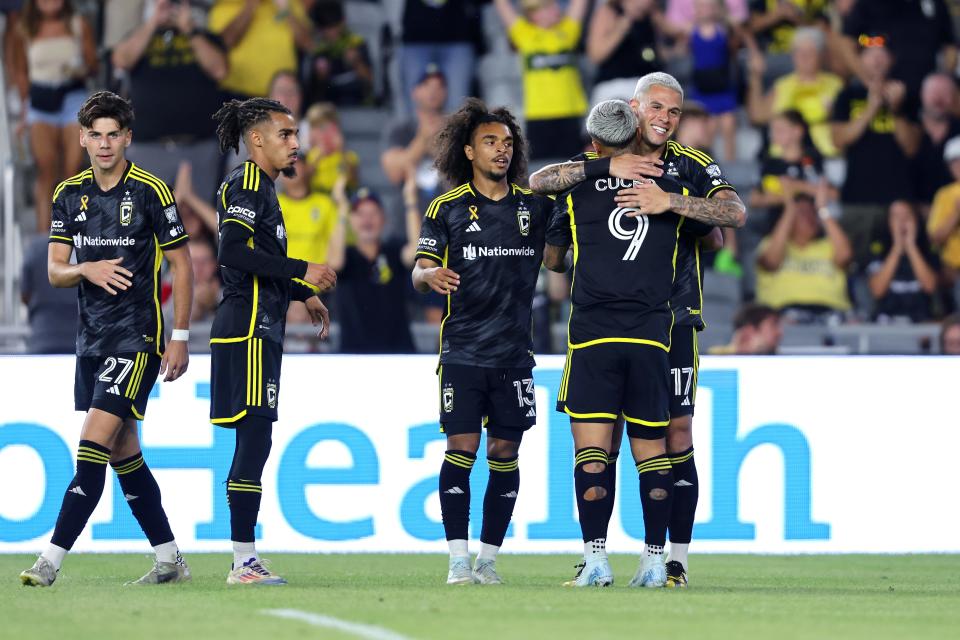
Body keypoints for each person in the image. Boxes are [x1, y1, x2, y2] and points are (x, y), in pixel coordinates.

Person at [529, 72, 746, 589]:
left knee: (675, 435)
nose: (665, 120)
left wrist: (671, 203)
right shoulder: (596, 163)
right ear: (636, 106)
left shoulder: (689, 167)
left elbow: (731, 215)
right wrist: (609, 167)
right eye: (657, 108)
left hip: (674, 319)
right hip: (610, 319)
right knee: (606, 435)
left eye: (675, 112)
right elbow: (541, 184)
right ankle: (599, 554)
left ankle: (675, 561)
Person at [20, 91, 194, 587]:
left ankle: (49, 562)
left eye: (112, 134)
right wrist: (86, 268)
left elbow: (182, 263)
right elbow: (55, 271)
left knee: (91, 448)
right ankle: (169, 559)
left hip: (136, 339)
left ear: (127, 138)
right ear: (81, 138)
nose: (103, 143)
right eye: (94, 135)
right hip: (90, 342)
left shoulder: (151, 191)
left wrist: (178, 336)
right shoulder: (67, 194)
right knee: (123, 453)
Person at [411, 98, 552, 585]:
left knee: (505, 453)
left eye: (508, 143)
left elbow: (561, 255)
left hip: (514, 354)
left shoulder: (535, 207)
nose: (501, 150)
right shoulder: (446, 208)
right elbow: (419, 266)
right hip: (464, 350)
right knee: (462, 446)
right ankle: (457, 560)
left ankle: (488, 560)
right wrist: (427, 276)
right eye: (491, 141)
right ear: (469, 150)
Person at [210, 97, 337, 585]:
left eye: (296, 134)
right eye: (285, 134)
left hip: (259, 326)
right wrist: (302, 269)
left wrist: (302, 292)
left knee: (254, 440)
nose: (296, 144)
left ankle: (244, 559)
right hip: (248, 331)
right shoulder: (246, 183)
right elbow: (232, 251)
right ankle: (244, 562)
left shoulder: (262, 189)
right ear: (256, 138)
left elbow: (258, 258)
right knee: (254, 439)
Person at [111, 0, 228, 203]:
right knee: (145, 220)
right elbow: (122, 59)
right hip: (148, 146)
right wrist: (152, 23)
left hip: (197, 145)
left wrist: (189, 30)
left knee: (196, 221)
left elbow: (219, 70)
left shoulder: (204, 37)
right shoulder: (141, 36)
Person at [829, 36, 919, 269]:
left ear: (891, 60)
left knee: (901, 264)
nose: (877, 60)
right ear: (860, 60)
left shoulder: (907, 96)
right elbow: (839, 140)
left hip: (899, 197)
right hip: (857, 198)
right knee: (854, 265)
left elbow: (911, 148)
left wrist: (897, 111)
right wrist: (872, 107)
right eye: (870, 54)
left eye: (882, 54)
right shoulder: (847, 96)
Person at [8, 0, 97, 232]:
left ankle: (76, 231)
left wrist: (80, 68)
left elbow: (93, 64)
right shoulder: (24, 30)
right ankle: (43, 238)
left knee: (73, 168)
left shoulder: (79, 25)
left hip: (72, 96)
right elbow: (21, 71)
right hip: (40, 100)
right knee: (46, 168)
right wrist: (25, 109)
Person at [327, 178, 417, 354]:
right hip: (354, 356)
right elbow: (335, 263)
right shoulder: (346, 256)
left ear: (383, 219)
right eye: (360, 214)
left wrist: (411, 201)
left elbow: (417, 253)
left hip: (399, 354)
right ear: (350, 221)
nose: (367, 220)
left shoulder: (394, 250)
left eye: (373, 213)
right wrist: (342, 209)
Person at [495, 0, 589, 160]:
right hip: (538, 115)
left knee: (574, 169)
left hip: (571, 113)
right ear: (534, 14)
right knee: (540, 170)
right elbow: (502, 5)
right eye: (549, 7)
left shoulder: (567, 30)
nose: (556, 9)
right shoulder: (525, 34)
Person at [756, 187, 853, 323]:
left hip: (831, 314)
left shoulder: (828, 245)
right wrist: (789, 210)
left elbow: (845, 256)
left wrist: (823, 210)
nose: (809, 217)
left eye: (813, 212)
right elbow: (771, 261)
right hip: (784, 317)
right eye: (801, 212)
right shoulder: (769, 243)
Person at [746, 26, 843, 158]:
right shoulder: (782, 85)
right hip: (784, 159)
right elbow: (757, 116)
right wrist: (755, 78)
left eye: (810, 52)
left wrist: (834, 113)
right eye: (799, 52)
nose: (804, 57)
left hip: (826, 155)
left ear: (820, 55)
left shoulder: (835, 84)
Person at [208, 0, 311, 99]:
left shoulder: (288, 3)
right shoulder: (224, 6)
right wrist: (250, 6)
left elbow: (307, 43)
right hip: (239, 96)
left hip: (283, 95)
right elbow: (224, 43)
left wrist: (285, 11)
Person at [867, 200, 937, 323]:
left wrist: (911, 246)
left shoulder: (928, 252)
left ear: (916, 221)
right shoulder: (878, 252)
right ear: (888, 222)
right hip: (885, 324)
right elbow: (877, 290)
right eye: (896, 217)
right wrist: (897, 247)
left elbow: (930, 286)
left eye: (907, 216)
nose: (902, 222)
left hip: (920, 326)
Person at [586, 0, 662, 106]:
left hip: (645, 89)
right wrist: (622, 26)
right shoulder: (610, 11)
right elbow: (595, 55)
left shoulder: (651, 16)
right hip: (614, 88)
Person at [302, 0, 373, 107]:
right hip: (326, 106)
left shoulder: (356, 42)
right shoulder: (316, 49)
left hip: (357, 103)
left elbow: (370, 81)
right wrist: (320, 76)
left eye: (334, 26)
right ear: (319, 29)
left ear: (343, 22)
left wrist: (357, 63)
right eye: (326, 28)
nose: (331, 32)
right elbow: (311, 93)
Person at [20, 233, 78, 353]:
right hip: (83, 342)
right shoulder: (92, 247)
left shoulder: (36, 248)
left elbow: (25, 294)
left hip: (43, 338)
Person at [912, 73, 960, 207]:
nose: (938, 98)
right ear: (922, 94)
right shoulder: (908, 130)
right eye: (933, 92)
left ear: (955, 97)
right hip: (910, 214)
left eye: (945, 92)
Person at [928, 136, 960, 304]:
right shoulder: (945, 195)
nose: (958, 166)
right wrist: (956, 214)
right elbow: (935, 237)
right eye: (954, 162)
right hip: (954, 271)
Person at [708, 302, 783, 354]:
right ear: (749, 330)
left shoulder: (779, 361)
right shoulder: (714, 357)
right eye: (773, 325)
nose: (780, 332)